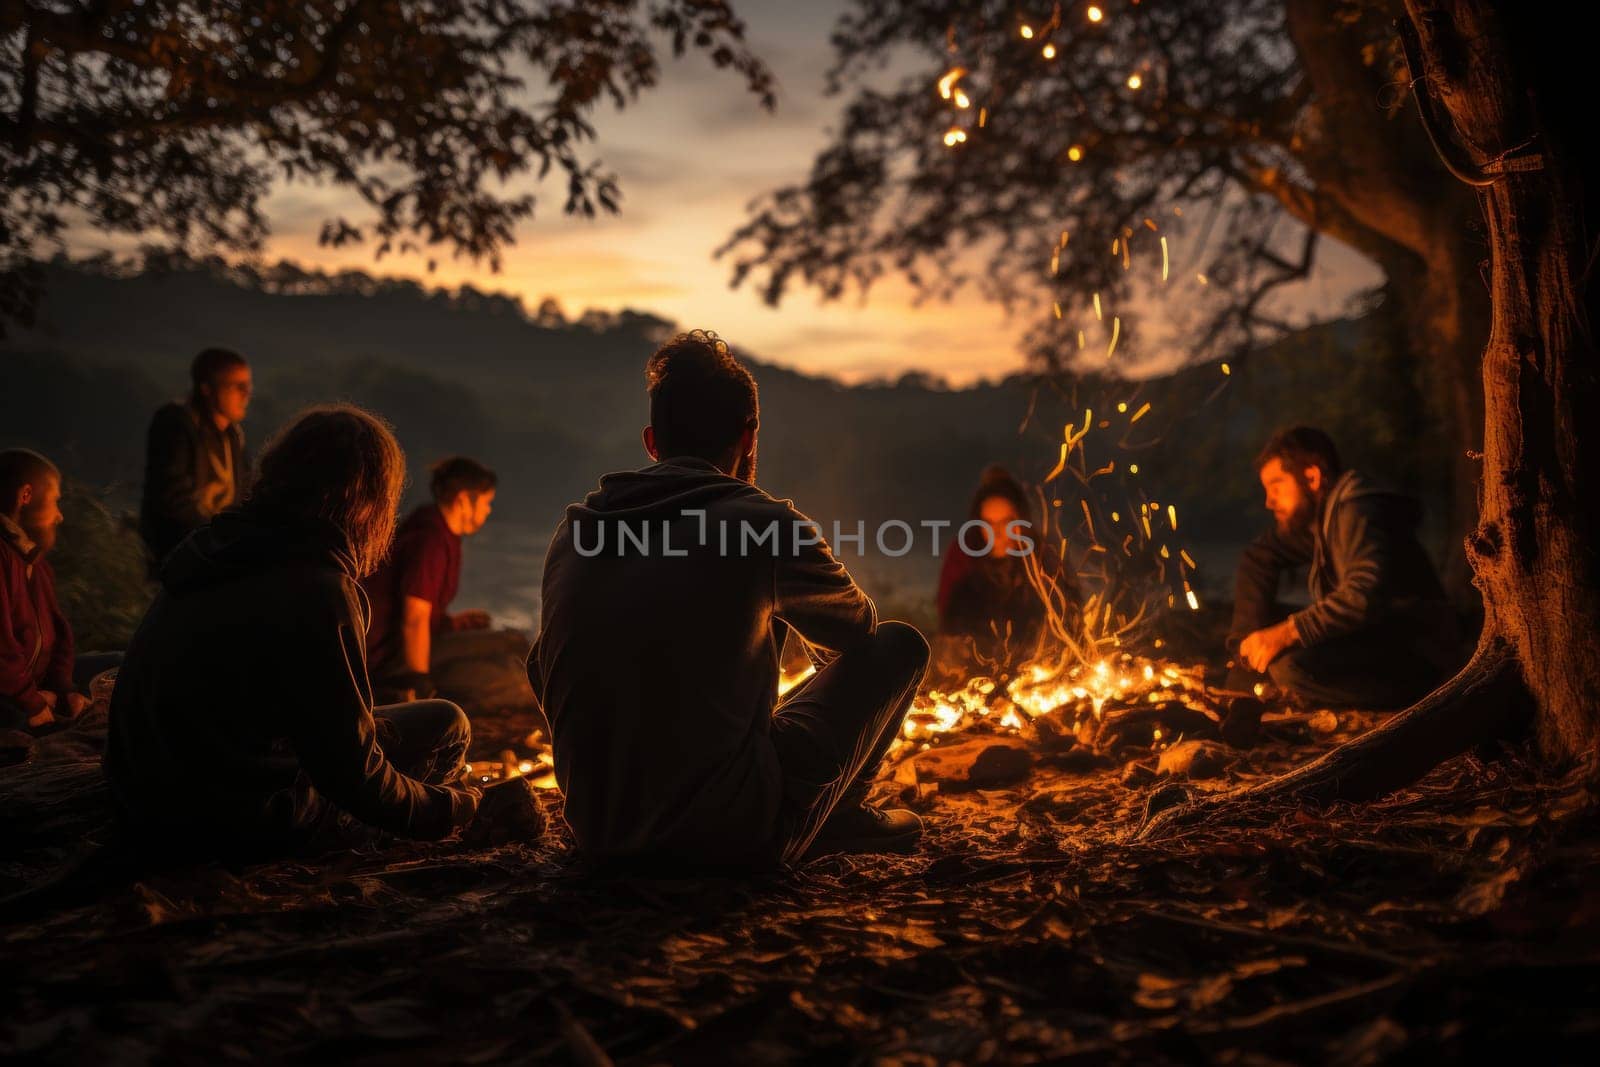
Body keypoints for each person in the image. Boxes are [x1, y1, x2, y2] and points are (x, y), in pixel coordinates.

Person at [527, 330, 930, 871]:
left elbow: (541, 668)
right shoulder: (764, 524)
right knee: (898, 644)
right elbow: (859, 631)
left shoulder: (576, 530)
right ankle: (838, 814)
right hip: (728, 840)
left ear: (652, 442)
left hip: (599, 834)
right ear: (748, 434)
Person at [105, 405, 481, 857]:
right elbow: (352, 775)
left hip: (147, 792)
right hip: (230, 816)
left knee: (443, 721)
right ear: (366, 499)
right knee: (444, 737)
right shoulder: (317, 589)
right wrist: (453, 809)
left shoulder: (219, 545)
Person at [1229, 426, 1462, 709]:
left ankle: (1417, 706)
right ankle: (1244, 684)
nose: (1269, 501)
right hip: (1380, 640)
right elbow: (1260, 556)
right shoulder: (1323, 521)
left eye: (1276, 486)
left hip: (1419, 652)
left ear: (1311, 477)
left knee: (1290, 668)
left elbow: (1363, 596)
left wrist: (1287, 633)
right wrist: (1246, 650)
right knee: (1272, 642)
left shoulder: (1356, 509)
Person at [362, 456, 497, 703]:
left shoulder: (436, 528)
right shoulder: (430, 538)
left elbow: (417, 608)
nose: (489, 510)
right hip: (389, 660)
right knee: (509, 669)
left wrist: (451, 623)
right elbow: (414, 617)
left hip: (395, 650)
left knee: (511, 644)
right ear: (465, 499)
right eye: (487, 502)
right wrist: (418, 683)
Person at [936, 465, 1081, 666]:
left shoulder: (1043, 563)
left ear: (1020, 521)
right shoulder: (966, 569)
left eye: (1006, 522)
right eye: (988, 523)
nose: (997, 532)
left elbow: (1071, 617)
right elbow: (949, 625)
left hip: (1039, 670)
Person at [139, 348, 253, 567]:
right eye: (238, 386)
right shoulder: (176, 424)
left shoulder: (233, 436)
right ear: (207, 389)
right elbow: (173, 498)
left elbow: (245, 493)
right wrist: (215, 541)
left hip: (220, 551)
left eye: (248, 386)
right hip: (179, 555)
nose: (246, 394)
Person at [0, 449, 89, 732]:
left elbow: (59, 634)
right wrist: (34, 704)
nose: (59, 516)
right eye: (55, 501)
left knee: (118, 665)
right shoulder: (3, 556)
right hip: (11, 695)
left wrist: (63, 689)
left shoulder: (34, 563)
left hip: (35, 686)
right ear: (25, 496)